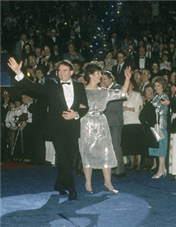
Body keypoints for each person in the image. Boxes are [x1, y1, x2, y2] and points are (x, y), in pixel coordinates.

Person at [8, 57, 89, 201]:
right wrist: (18, 73)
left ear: (72, 72)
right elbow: (34, 87)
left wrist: (76, 114)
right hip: (56, 128)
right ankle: (72, 189)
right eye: (59, 71)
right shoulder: (52, 84)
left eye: (65, 70)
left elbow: (85, 107)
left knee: (68, 160)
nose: (61, 73)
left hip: (73, 128)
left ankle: (59, 184)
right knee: (63, 158)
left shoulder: (79, 86)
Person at [78, 61, 132, 194]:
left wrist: (127, 78)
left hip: (102, 124)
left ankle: (108, 183)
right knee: (87, 153)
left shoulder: (104, 91)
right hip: (87, 124)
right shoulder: (82, 91)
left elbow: (121, 93)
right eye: (97, 73)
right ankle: (88, 183)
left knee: (106, 153)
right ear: (90, 75)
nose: (100, 76)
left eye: (100, 73)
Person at [102, 70, 126, 179]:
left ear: (111, 78)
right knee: (109, 147)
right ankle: (112, 168)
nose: (103, 81)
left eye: (105, 79)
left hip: (115, 121)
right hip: (107, 121)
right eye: (102, 79)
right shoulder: (106, 90)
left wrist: (102, 107)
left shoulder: (117, 88)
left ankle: (120, 170)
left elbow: (114, 106)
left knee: (116, 145)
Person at [121, 77, 143, 172]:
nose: (128, 86)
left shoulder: (137, 95)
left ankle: (138, 164)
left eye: (130, 84)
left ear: (132, 86)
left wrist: (128, 108)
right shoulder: (123, 95)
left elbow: (138, 109)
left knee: (137, 145)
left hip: (135, 122)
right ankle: (132, 163)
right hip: (125, 122)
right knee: (128, 145)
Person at [149, 76, 169, 179]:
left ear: (163, 86)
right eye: (155, 86)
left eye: (158, 85)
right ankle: (163, 168)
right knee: (157, 147)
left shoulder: (164, 96)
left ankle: (160, 170)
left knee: (161, 147)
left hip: (161, 124)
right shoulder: (157, 96)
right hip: (156, 125)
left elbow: (158, 108)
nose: (156, 88)